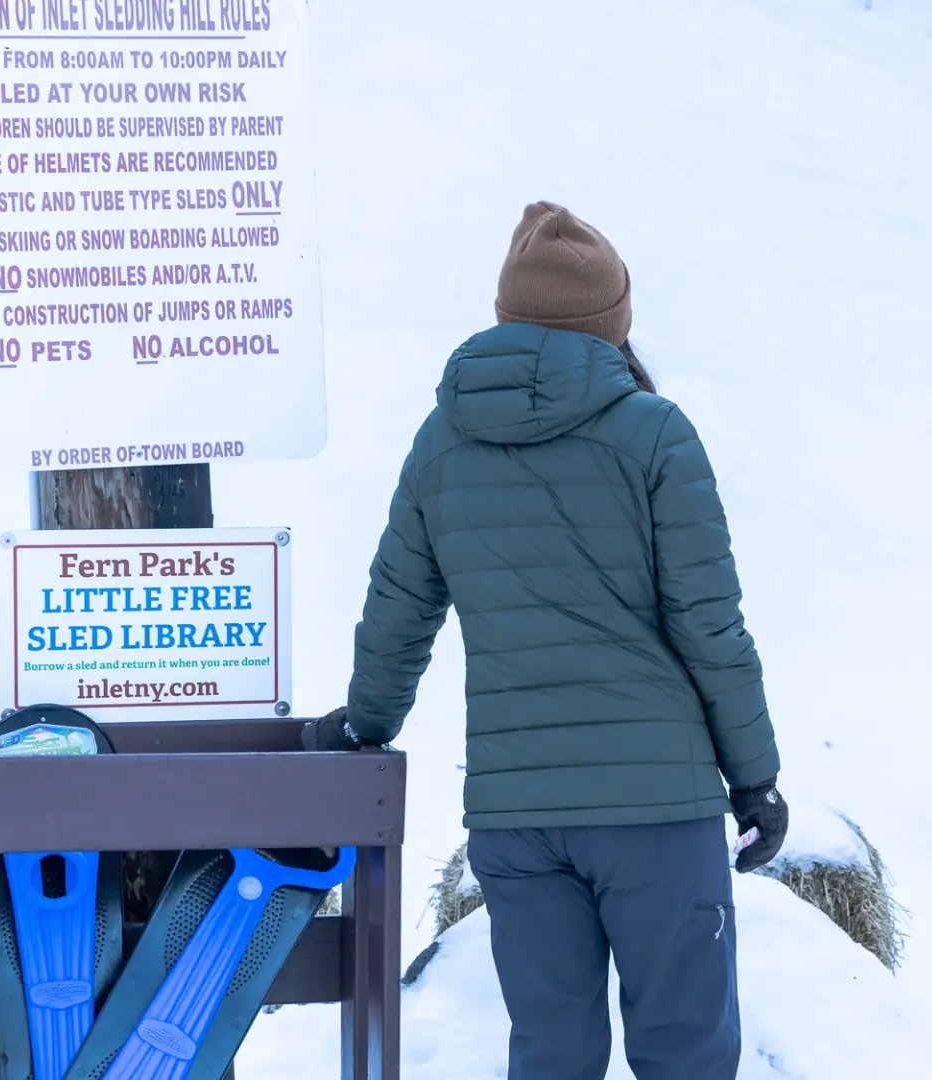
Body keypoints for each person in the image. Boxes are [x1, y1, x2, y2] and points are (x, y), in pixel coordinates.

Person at [304, 201, 786, 1080]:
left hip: (518, 814)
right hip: (656, 810)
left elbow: (399, 605)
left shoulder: (443, 442)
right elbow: (710, 623)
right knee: (686, 1050)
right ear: (613, 323)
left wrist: (367, 722)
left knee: (552, 1052)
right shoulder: (655, 433)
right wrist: (754, 776)